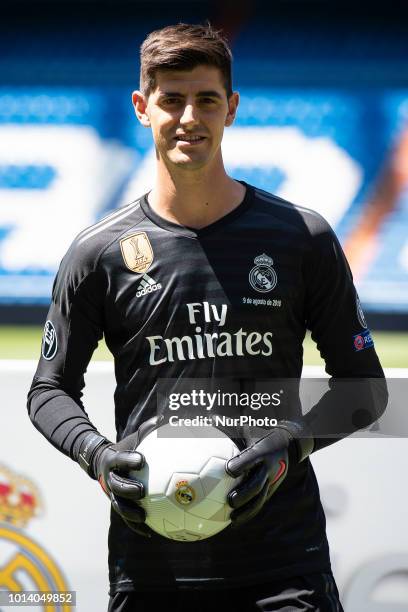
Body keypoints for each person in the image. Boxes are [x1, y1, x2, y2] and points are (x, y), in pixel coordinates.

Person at [28, 23, 387, 612]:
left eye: (206, 99)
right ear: (143, 108)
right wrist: (95, 453)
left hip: (283, 564)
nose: (189, 117)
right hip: (152, 568)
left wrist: (289, 448)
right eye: (172, 99)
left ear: (232, 109)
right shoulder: (99, 252)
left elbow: (365, 388)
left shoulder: (301, 238)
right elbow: (49, 390)